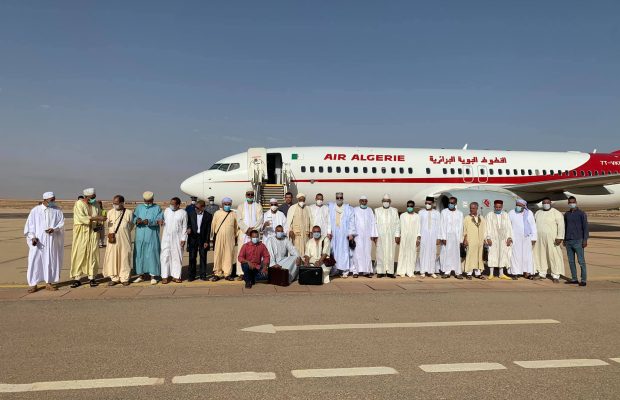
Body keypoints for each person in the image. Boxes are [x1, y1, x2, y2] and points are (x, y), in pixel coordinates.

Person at [24, 192, 64, 293]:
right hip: (38, 242)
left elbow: (61, 223)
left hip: (51, 241)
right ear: (45, 199)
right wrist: (32, 237)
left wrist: (54, 229)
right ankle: (33, 284)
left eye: (54, 199)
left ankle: (48, 283)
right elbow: (30, 226)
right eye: (52, 199)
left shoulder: (57, 210)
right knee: (34, 261)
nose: (53, 201)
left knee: (50, 261)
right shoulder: (35, 211)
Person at [70, 188, 106, 288]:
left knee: (93, 254)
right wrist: (96, 218)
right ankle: (77, 278)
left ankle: (92, 277)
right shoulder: (79, 204)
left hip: (93, 232)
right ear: (86, 197)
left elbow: (99, 215)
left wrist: (100, 221)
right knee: (79, 254)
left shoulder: (96, 204)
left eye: (95, 197)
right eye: (92, 197)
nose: (94, 199)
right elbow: (81, 217)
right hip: (81, 232)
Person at [132, 191, 164, 285]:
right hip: (140, 236)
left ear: (153, 200)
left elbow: (159, 220)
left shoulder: (157, 208)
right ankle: (140, 275)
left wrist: (149, 221)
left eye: (149, 201)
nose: (147, 202)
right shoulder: (139, 207)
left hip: (152, 236)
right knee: (139, 255)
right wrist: (136, 220)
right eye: (146, 201)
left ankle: (153, 276)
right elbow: (134, 217)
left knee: (152, 255)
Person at [103, 195, 134, 286]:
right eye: (113, 203)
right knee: (112, 258)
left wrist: (123, 230)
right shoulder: (110, 212)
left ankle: (124, 278)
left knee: (124, 258)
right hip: (112, 240)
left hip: (124, 239)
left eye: (116, 203)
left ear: (122, 203)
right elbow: (108, 225)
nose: (114, 205)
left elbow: (131, 226)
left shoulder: (129, 212)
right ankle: (114, 278)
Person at [533, 197, 565, 282]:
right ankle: (542, 273)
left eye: (547, 203)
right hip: (539, 239)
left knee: (554, 256)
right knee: (540, 255)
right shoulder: (538, 213)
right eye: (544, 203)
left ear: (550, 203)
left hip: (553, 239)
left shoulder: (556, 213)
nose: (545, 204)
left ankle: (555, 275)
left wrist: (560, 237)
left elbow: (561, 226)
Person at [236, 188, 264, 280]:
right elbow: (239, 220)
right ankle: (241, 273)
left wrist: (253, 231)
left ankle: (254, 271)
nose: (250, 196)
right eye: (248, 194)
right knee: (242, 253)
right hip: (244, 234)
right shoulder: (240, 206)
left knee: (255, 253)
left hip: (254, 235)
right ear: (246, 195)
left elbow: (260, 219)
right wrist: (247, 230)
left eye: (252, 194)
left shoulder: (258, 206)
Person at [160, 197, 188, 284]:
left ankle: (176, 276)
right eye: (170, 203)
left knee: (177, 257)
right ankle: (165, 276)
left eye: (173, 204)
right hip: (166, 237)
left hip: (177, 238)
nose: (171, 205)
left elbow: (184, 226)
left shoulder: (183, 213)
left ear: (178, 205)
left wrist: (183, 239)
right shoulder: (167, 210)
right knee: (165, 256)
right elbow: (163, 220)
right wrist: (161, 222)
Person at [508, 199, 537, 280]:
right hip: (515, 238)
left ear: (524, 206)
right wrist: (509, 237)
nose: (518, 207)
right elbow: (508, 226)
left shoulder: (529, 213)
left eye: (520, 205)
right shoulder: (511, 213)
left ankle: (527, 273)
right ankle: (515, 272)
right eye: (517, 205)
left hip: (527, 238)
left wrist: (534, 237)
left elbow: (533, 225)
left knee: (527, 256)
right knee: (515, 256)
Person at [328, 192, 356, 277]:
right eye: (338, 198)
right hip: (334, 234)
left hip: (344, 233)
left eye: (340, 198)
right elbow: (328, 220)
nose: (339, 199)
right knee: (333, 252)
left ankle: (345, 271)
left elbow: (351, 221)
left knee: (344, 251)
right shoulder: (331, 207)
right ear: (336, 198)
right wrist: (329, 232)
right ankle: (335, 270)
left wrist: (351, 233)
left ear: (343, 198)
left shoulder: (348, 208)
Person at [210, 197, 238, 281]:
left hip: (230, 238)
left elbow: (236, 227)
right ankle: (217, 273)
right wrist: (211, 238)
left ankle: (227, 274)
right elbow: (213, 225)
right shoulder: (217, 213)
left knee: (229, 255)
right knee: (218, 255)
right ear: (222, 205)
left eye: (229, 204)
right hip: (219, 237)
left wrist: (235, 237)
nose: (227, 206)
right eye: (225, 204)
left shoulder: (233, 214)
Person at [564, 196, 589, 286]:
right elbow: (565, 227)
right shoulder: (566, 214)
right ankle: (574, 278)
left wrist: (585, 239)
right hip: (568, 240)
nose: (572, 203)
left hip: (578, 240)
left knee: (581, 261)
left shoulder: (581, 213)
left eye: (573, 202)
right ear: (568, 203)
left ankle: (583, 280)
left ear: (576, 202)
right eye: (570, 202)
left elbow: (585, 227)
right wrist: (564, 239)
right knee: (571, 261)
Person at [351, 195, 378, 278]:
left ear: (367, 201)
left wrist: (373, 235)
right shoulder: (355, 210)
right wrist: (352, 234)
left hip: (368, 236)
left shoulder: (370, 210)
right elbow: (352, 222)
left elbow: (373, 223)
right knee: (357, 253)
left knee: (367, 253)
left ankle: (367, 271)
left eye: (365, 201)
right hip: (357, 235)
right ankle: (355, 271)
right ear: (359, 201)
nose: (364, 202)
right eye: (362, 201)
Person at [485, 200, 513, 280]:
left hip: (503, 239)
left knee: (502, 255)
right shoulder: (489, 215)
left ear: (502, 207)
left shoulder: (505, 215)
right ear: (494, 206)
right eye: (496, 207)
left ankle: (501, 274)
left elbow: (509, 228)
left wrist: (509, 238)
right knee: (492, 255)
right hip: (493, 239)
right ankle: (491, 274)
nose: (498, 208)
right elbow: (487, 227)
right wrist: (488, 238)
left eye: (499, 207)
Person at [374, 194, 400, 278]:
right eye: (384, 201)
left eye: (387, 201)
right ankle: (380, 271)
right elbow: (374, 224)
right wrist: (375, 235)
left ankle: (390, 272)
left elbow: (397, 224)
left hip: (391, 235)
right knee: (380, 253)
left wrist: (397, 235)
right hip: (380, 235)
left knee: (391, 253)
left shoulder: (394, 210)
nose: (386, 203)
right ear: (382, 202)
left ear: (390, 202)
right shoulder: (377, 210)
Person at [186, 200, 212, 281]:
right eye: (195, 207)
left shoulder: (208, 216)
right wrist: (189, 228)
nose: (195, 209)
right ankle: (191, 275)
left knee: (203, 257)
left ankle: (203, 275)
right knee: (192, 257)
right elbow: (188, 223)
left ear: (203, 207)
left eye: (197, 207)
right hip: (193, 237)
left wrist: (207, 241)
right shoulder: (191, 214)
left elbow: (208, 230)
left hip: (203, 238)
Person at [439, 197, 464, 279]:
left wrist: (460, 239)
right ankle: (447, 271)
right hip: (447, 236)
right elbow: (442, 225)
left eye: (452, 203)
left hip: (456, 237)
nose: (450, 204)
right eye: (449, 202)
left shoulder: (460, 213)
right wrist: (443, 237)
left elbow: (461, 227)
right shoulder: (444, 212)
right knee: (447, 254)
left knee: (456, 254)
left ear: (455, 204)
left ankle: (457, 272)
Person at [417, 196, 441, 278]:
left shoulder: (437, 213)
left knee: (432, 253)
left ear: (433, 204)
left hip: (433, 236)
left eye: (429, 203)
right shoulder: (421, 212)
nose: (427, 205)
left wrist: (438, 237)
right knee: (423, 252)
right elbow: (418, 225)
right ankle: (422, 271)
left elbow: (439, 226)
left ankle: (431, 271)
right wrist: (418, 235)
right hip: (423, 235)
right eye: (426, 203)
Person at [462, 202, 486, 280]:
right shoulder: (467, 218)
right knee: (470, 256)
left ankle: (478, 273)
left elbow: (485, 229)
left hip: (480, 241)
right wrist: (465, 240)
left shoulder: (481, 218)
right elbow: (464, 230)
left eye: (473, 208)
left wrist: (485, 239)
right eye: (471, 208)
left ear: (477, 208)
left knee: (479, 256)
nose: (471, 210)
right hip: (471, 240)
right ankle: (469, 273)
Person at [396, 200, 420, 278]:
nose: (409, 207)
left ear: (413, 207)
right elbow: (399, 227)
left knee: (412, 254)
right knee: (403, 253)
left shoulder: (417, 216)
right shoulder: (402, 215)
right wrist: (398, 236)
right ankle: (401, 271)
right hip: (404, 237)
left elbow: (419, 228)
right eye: (408, 206)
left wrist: (418, 238)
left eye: (411, 206)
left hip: (413, 238)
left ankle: (410, 272)